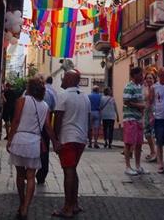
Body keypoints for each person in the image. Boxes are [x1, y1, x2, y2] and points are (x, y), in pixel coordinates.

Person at [7, 77, 59, 220]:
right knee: (31, 176)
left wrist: (10, 138)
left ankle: (22, 202)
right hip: (34, 142)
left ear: (29, 88)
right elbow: (48, 127)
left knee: (19, 175)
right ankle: (25, 208)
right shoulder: (45, 107)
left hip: (19, 140)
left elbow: (16, 121)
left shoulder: (22, 101)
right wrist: (55, 141)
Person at [52, 69, 91, 218]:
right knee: (73, 170)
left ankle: (67, 208)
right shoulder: (85, 97)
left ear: (69, 80)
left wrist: (55, 139)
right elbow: (88, 120)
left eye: (64, 78)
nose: (62, 80)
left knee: (68, 172)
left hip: (67, 138)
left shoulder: (63, 96)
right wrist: (87, 136)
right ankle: (74, 204)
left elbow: (58, 118)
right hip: (80, 139)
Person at [123, 66, 147, 176]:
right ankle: (128, 166)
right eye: (141, 74)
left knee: (138, 143)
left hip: (138, 119)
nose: (142, 76)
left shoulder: (139, 87)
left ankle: (138, 166)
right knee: (129, 143)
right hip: (130, 118)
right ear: (135, 75)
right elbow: (126, 101)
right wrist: (140, 106)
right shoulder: (129, 86)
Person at [37, 75, 57, 185]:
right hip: (45, 124)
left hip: (29, 125)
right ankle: (41, 174)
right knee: (44, 150)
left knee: (31, 147)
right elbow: (54, 107)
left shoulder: (26, 92)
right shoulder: (51, 92)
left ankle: (28, 171)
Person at [143, 72, 158, 162]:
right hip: (146, 112)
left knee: (152, 133)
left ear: (154, 79)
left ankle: (155, 153)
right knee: (147, 133)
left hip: (153, 112)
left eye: (150, 78)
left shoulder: (154, 88)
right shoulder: (145, 89)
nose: (149, 80)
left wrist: (152, 114)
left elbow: (151, 101)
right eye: (147, 78)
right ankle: (152, 151)